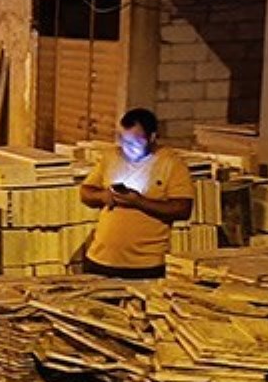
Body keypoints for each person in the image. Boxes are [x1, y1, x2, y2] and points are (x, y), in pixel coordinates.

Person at [78, 108, 195, 279]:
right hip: (101, 260)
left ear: (152, 137)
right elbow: (85, 192)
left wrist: (138, 201)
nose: (127, 148)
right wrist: (104, 196)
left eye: (134, 143)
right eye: (124, 141)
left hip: (146, 266)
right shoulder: (111, 157)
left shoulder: (172, 164)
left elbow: (183, 209)